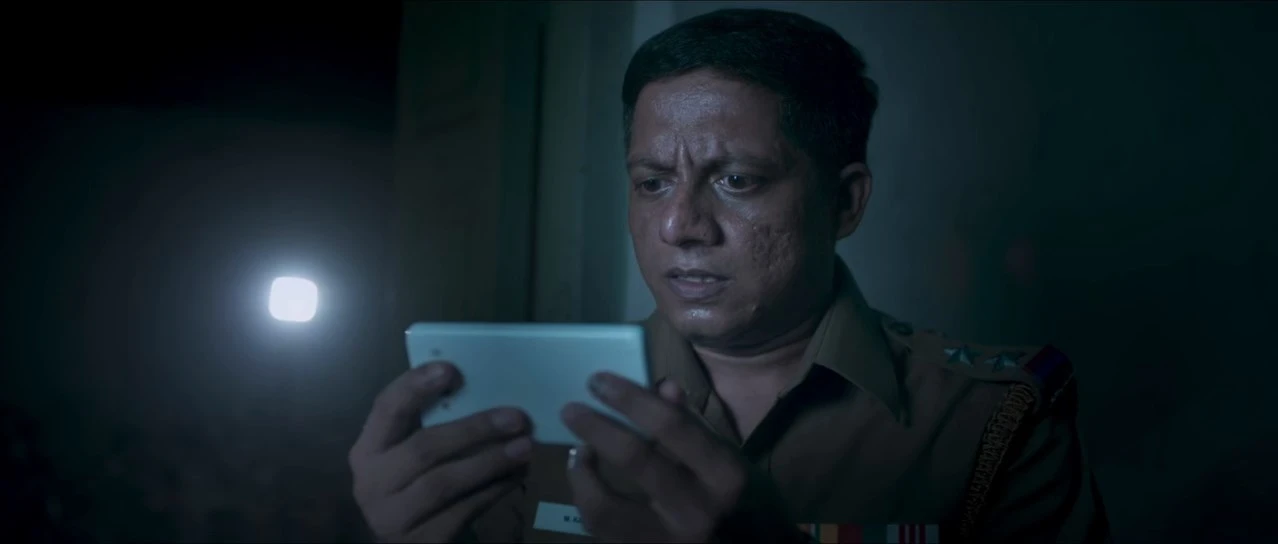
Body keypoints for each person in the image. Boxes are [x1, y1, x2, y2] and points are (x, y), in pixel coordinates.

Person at [348, 8, 1110, 543]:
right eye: (652, 182)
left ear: (844, 203)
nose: (680, 225)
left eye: (738, 180)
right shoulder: (533, 407)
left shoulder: (991, 422)